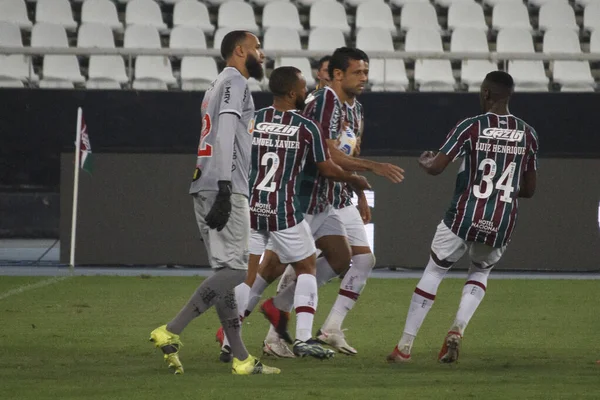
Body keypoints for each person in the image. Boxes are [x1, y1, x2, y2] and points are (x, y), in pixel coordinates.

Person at [252, 47, 405, 357]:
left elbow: (346, 155)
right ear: (336, 75)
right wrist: (371, 168)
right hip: (305, 195)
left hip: (335, 195)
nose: (364, 77)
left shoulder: (357, 109)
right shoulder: (323, 102)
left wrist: (358, 192)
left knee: (355, 259)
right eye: (358, 72)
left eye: (365, 71)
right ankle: (247, 331)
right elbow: (325, 152)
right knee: (275, 267)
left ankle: (328, 327)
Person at [148, 30, 280, 376]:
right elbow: (223, 132)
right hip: (223, 185)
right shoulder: (236, 82)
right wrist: (224, 184)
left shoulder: (215, 85)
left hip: (204, 183)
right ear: (240, 51)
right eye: (256, 47)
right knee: (237, 270)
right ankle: (171, 330)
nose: (261, 54)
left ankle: (240, 358)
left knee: (225, 273)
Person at [386, 71, 538, 364]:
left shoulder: (470, 127)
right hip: (501, 220)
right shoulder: (528, 133)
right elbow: (529, 190)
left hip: (463, 215)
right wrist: (497, 194)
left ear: (485, 93)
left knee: (435, 271)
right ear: (510, 95)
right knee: (479, 272)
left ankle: (404, 346)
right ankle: (457, 330)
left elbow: (437, 167)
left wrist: (425, 161)